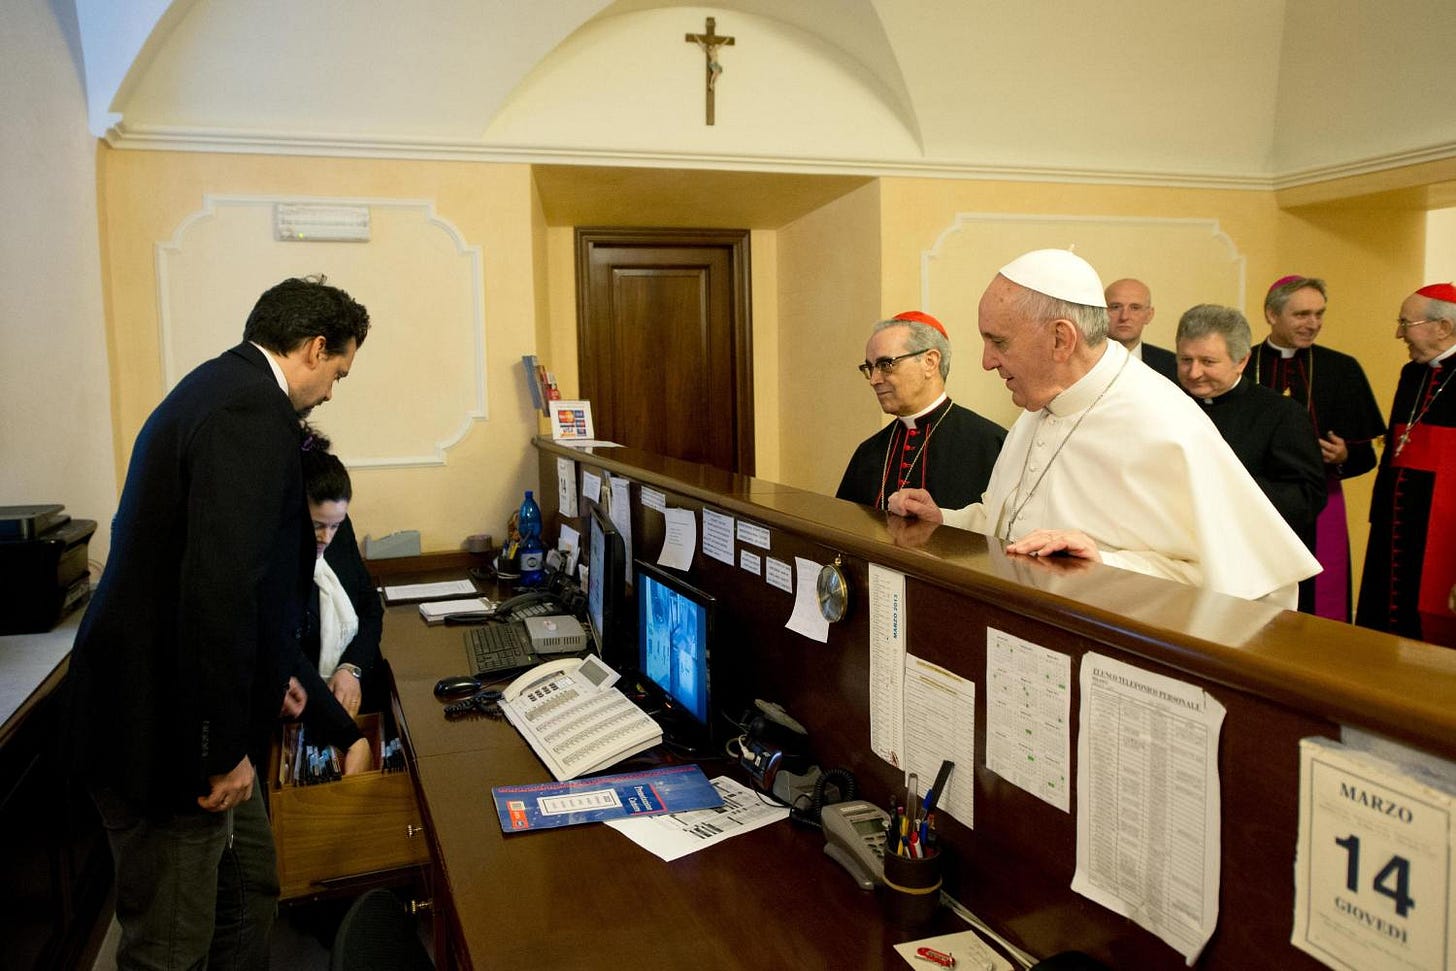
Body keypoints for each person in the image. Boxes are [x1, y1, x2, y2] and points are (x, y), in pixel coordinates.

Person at [67, 276, 370, 969]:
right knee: (171, 945)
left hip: (181, 710)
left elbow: (248, 587)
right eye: (338, 373)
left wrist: (281, 681)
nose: (330, 393)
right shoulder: (249, 413)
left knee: (249, 890)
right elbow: (218, 592)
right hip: (164, 735)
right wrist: (221, 749)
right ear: (316, 347)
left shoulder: (220, 388)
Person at [889, 249, 1319, 607]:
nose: (986, 362)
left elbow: (1248, 589)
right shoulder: (1041, 407)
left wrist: (1104, 564)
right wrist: (945, 520)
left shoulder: (1163, 425)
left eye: (998, 342)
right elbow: (1014, 525)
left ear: (1062, 339)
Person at [1247, 275, 1385, 621]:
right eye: (1302, 315)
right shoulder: (1244, 363)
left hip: (1319, 502)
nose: (1313, 324)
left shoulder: (1342, 369)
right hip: (1253, 501)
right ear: (1271, 314)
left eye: (1319, 314)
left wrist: (1344, 457)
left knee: (1318, 601)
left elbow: (1367, 455)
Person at [1175, 304, 1327, 594]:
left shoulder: (1282, 414)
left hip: (1249, 564)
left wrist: (1224, 490)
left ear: (1241, 360)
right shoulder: (1165, 401)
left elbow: (1306, 495)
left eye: (1208, 361)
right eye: (1185, 360)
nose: (1194, 373)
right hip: (1176, 555)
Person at [1356, 282, 1456, 647]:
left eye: (1406, 323)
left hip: (1444, 528)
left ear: (1443, 327)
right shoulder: (1411, 373)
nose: (1399, 333)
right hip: (1396, 519)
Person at [837, 311, 1005, 510]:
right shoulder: (868, 453)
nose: (874, 379)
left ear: (930, 362)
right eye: (870, 367)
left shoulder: (992, 444)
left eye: (886, 364)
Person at [292, 429, 383, 773]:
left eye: (335, 525)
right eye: (318, 525)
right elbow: (289, 652)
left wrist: (351, 668)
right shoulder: (284, 566)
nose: (326, 537)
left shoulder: (337, 530)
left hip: (353, 691)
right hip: (307, 707)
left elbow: (371, 611)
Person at [1104, 278, 1176, 380]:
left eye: (1135, 308)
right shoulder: (1079, 362)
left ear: (1149, 315)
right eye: (1115, 307)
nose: (1124, 317)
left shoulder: (1172, 365)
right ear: (1101, 313)